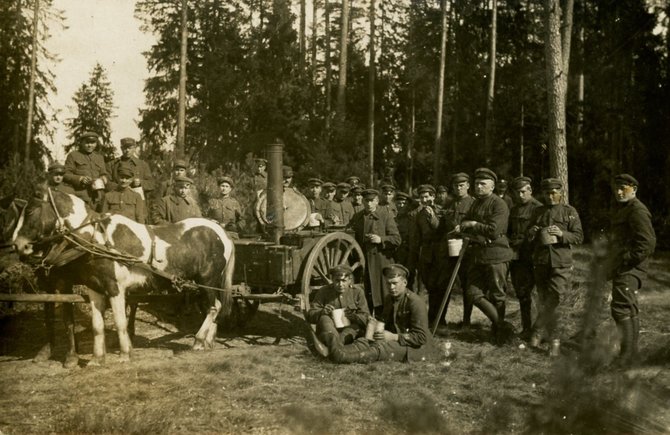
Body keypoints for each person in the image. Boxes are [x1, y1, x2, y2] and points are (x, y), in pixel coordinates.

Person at [311, 264, 433, 363]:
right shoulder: (389, 299)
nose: (391, 287)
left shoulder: (415, 302)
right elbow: (384, 321)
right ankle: (337, 351)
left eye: (394, 283)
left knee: (379, 348)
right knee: (365, 340)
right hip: (393, 339)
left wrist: (394, 337)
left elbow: (421, 337)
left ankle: (342, 357)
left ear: (405, 283)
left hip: (414, 348)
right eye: (388, 283)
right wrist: (372, 326)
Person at [456, 168, 514, 344]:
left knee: (497, 294)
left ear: (492, 186)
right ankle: (502, 325)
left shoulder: (499, 204)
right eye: (476, 184)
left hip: (496, 254)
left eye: (483, 184)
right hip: (478, 254)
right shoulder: (475, 203)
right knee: (472, 292)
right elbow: (465, 221)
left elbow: (494, 230)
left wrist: (473, 224)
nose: (479, 187)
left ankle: (498, 334)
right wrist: (465, 226)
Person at [527, 178, 583, 356]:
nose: (550, 196)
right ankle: (552, 342)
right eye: (547, 193)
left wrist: (561, 234)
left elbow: (578, 236)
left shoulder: (569, 211)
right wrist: (533, 232)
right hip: (541, 261)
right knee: (544, 299)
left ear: (560, 193)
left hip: (561, 262)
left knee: (555, 298)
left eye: (553, 193)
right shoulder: (537, 211)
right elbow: (528, 235)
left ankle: (537, 331)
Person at [604, 174, 655, 367]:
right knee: (629, 308)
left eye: (623, 188)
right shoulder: (624, 209)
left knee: (621, 308)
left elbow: (647, 243)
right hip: (625, 266)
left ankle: (626, 357)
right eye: (616, 188)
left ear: (634, 189)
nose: (618, 192)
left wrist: (625, 260)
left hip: (629, 268)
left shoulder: (637, 211)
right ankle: (630, 355)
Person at [349, 189, 401, 315]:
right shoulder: (358, 217)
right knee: (367, 295)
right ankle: (368, 324)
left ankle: (386, 324)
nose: (369, 204)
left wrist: (381, 239)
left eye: (372, 201)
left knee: (383, 296)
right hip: (364, 263)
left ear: (377, 201)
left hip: (381, 262)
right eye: (366, 201)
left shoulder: (385, 215)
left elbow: (397, 239)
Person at [305, 264, 371, 355]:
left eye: (343, 281)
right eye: (337, 280)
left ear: (349, 280)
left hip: (349, 330)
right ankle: (339, 350)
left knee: (353, 329)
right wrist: (322, 312)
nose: (340, 284)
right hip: (330, 329)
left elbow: (366, 316)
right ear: (332, 279)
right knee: (324, 319)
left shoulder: (357, 292)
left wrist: (354, 316)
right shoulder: (324, 291)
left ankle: (333, 350)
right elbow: (310, 315)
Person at [438, 172, 475, 328]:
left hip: (467, 250)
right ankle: (441, 320)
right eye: (455, 186)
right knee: (444, 284)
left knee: (467, 286)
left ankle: (466, 321)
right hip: (449, 249)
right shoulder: (449, 204)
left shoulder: (474, 203)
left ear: (467, 186)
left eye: (461, 185)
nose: (459, 188)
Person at [507, 176, 542, 338]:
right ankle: (526, 328)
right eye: (517, 192)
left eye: (523, 191)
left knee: (536, 293)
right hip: (517, 257)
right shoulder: (513, 210)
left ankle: (539, 331)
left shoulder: (539, 209)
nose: (520, 195)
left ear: (530, 190)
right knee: (522, 293)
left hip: (533, 256)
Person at [408, 184, 444, 328]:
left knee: (438, 286)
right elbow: (416, 236)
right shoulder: (417, 214)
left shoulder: (441, 211)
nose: (424, 199)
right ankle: (426, 319)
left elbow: (440, 230)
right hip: (426, 253)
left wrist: (433, 217)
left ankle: (438, 319)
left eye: (427, 196)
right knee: (427, 285)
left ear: (433, 197)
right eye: (422, 197)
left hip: (440, 253)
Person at [63, 131, 109, 210]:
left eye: (93, 143)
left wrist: (103, 178)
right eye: (87, 142)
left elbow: (103, 173)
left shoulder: (99, 157)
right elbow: (65, 174)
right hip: (80, 196)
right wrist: (80, 179)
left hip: (97, 197)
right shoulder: (73, 155)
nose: (90, 145)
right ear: (81, 143)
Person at [393, 191, 413, 269]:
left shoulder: (412, 219)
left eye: (404, 203)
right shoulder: (392, 218)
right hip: (396, 252)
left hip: (409, 252)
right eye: (399, 203)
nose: (401, 206)